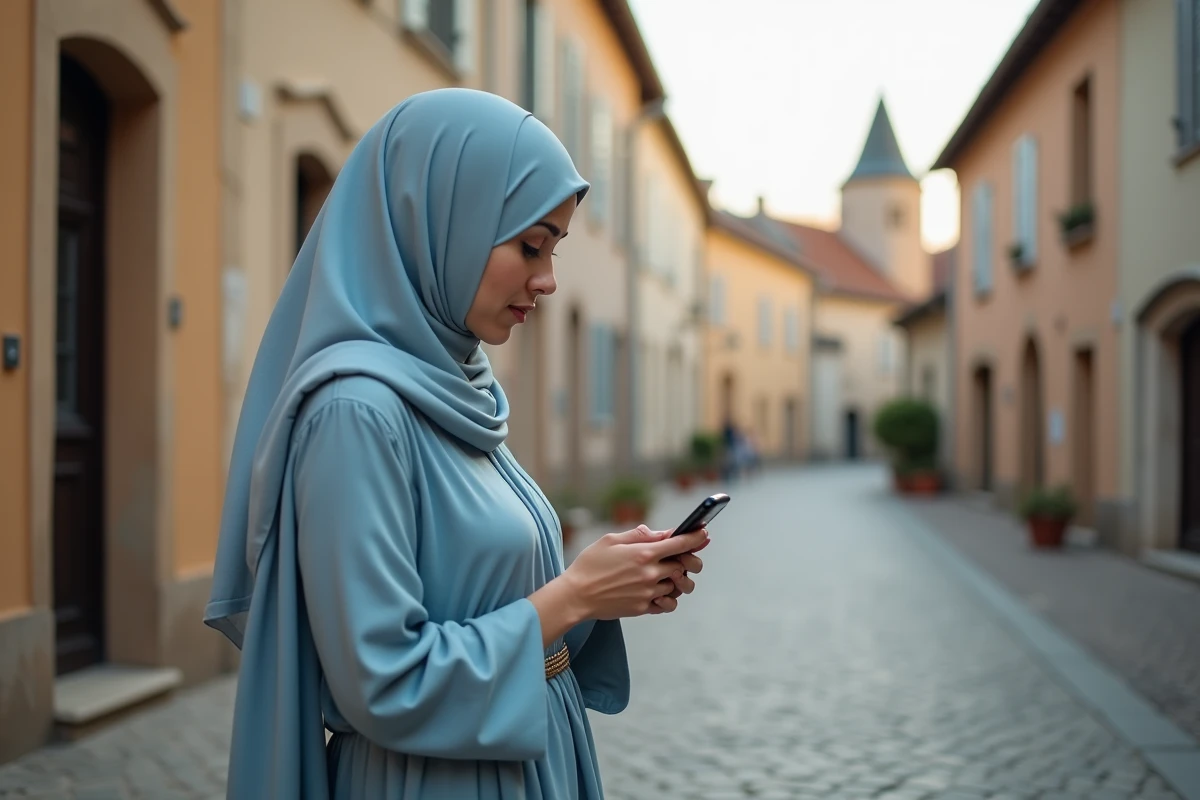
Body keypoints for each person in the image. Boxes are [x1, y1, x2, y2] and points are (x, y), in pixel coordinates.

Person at [203, 88, 709, 799]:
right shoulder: (356, 413)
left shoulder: (458, 387)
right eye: (530, 245)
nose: (549, 279)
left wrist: (605, 590)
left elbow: (490, 601)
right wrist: (571, 594)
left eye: (555, 248)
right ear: (438, 221)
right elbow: (381, 680)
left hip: (526, 760)